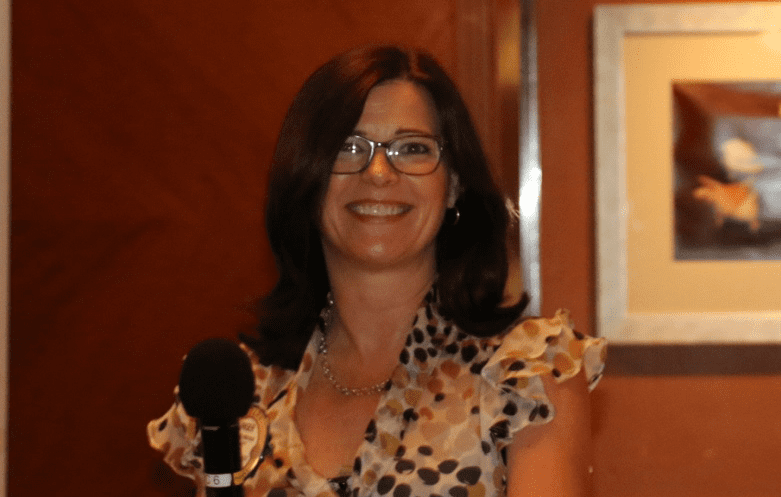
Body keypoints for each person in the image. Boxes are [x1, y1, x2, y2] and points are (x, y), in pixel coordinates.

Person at [148, 45, 606, 497]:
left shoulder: (526, 370)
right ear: (308, 179)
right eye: (349, 147)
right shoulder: (238, 392)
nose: (379, 172)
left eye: (412, 148)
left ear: (453, 185)